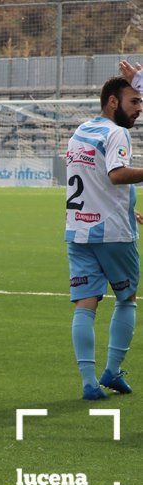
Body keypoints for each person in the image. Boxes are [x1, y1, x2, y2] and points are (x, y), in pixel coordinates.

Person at [66, 69, 143, 400]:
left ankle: (88, 383)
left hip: (78, 231)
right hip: (113, 234)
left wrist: (130, 210)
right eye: (134, 101)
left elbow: (94, 180)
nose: (139, 108)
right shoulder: (116, 134)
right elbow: (115, 175)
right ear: (114, 102)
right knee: (127, 299)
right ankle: (112, 371)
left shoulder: (80, 131)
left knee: (86, 304)